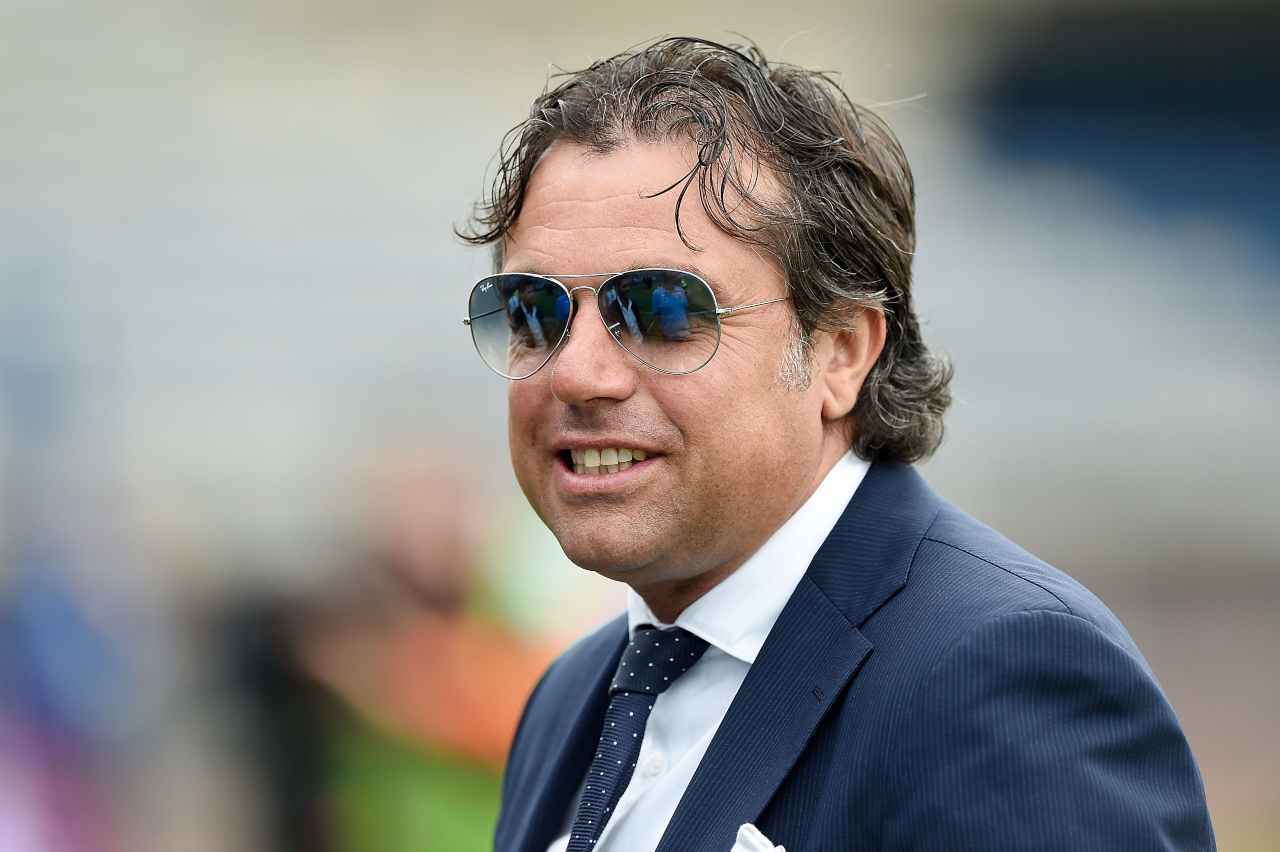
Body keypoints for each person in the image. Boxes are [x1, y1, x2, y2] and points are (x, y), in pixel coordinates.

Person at [458, 37, 1215, 852]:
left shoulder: (999, 675)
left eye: (662, 310)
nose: (577, 374)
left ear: (842, 352)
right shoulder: (576, 695)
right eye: (533, 310)